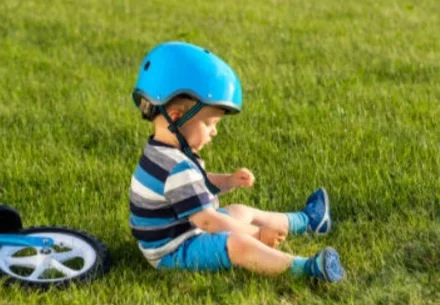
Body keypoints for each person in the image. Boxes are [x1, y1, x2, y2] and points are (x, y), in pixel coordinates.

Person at [128, 41, 345, 283]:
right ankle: (306, 269)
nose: (214, 132)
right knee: (238, 243)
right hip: (174, 251)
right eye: (210, 124)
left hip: (182, 231)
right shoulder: (176, 166)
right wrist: (257, 234)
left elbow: (194, 186)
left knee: (239, 211)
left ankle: (307, 221)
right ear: (177, 118)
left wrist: (228, 181)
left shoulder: (162, 151)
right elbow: (209, 221)